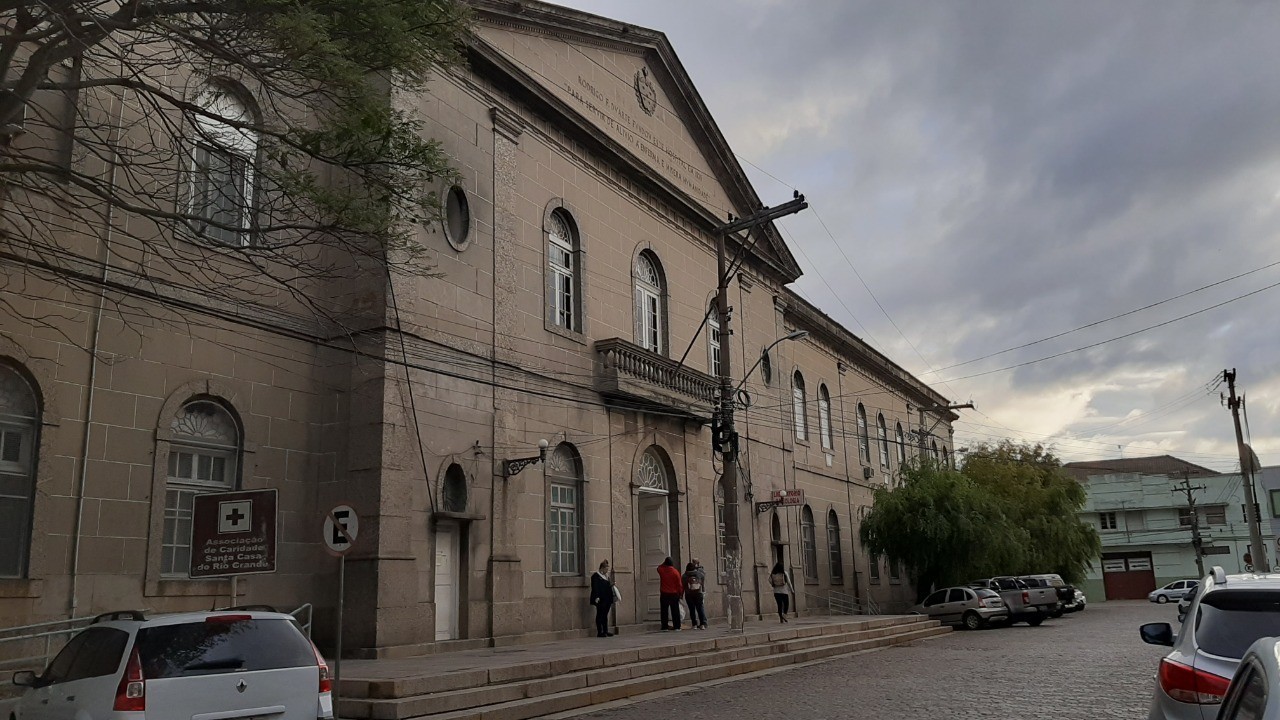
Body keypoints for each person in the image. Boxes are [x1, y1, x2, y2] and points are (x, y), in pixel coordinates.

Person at [590, 559, 615, 637]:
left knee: (605, 615)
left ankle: (605, 630)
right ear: (602, 568)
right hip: (600, 599)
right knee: (600, 614)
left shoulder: (606, 576)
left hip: (607, 598)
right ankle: (599, 631)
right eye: (606, 569)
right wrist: (596, 597)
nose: (607, 571)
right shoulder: (596, 576)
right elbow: (595, 587)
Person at [657, 556, 684, 631]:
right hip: (674, 593)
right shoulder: (675, 572)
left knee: (664, 611)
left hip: (664, 593)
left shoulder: (661, 570)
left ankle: (664, 626)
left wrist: (664, 564)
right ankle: (677, 626)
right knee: (675, 611)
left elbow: (658, 567)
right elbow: (679, 584)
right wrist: (680, 594)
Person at [683, 561, 707, 629]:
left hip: (689, 594)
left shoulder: (685, 575)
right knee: (700, 609)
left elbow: (683, 585)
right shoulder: (699, 574)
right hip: (698, 593)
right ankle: (702, 624)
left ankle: (694, 624)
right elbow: (703, 578)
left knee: (692, 610)